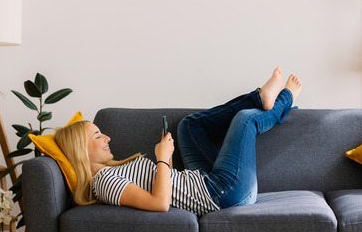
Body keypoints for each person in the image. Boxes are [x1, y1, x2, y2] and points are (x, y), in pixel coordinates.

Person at [54, 67, 302, 216]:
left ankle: (260, 98)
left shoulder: (109, 174)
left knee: (188, 126)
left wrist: (168, 159)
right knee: (245, 120)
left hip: (204, 181)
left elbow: (168, 189)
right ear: (80, 151)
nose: (107, 138)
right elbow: (160, 204)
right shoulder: (105, 182)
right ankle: (284, 99)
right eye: (98, 136)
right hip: (223, 193)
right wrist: (161, 157)